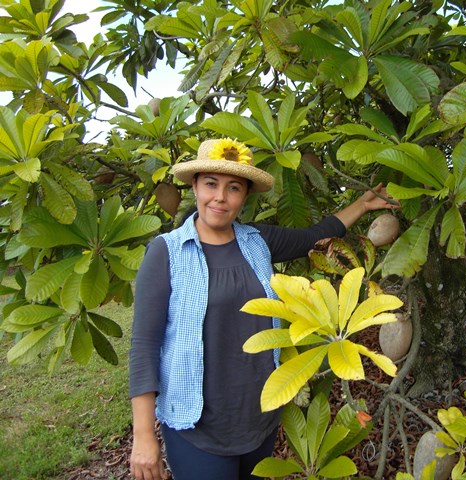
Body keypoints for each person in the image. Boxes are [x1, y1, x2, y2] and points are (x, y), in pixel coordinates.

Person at [128, 137, 398, 480]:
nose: (220, 197)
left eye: (234, 188)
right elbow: (144, 346)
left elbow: (315, 235)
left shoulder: (257, 241)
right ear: (195, 186)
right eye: (211, 184)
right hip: (197, 425)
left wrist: (362, 204)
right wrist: (143, 436)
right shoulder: (166, 252)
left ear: (245, 196)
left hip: (259, 417)